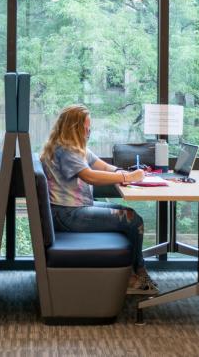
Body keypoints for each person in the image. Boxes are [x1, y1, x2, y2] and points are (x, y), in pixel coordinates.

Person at [40, 104, 158, 295]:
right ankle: (137, 274)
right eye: (86, 128)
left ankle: (131, 275)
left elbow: (101, 165)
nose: (88, 132)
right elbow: (90, 176)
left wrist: (126, 173)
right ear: (75, 128)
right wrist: (127, 178)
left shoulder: (74, 147)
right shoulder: (65, 150)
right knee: (132, 220)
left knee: (129, 215)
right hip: (67, 214)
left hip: (73, 208)